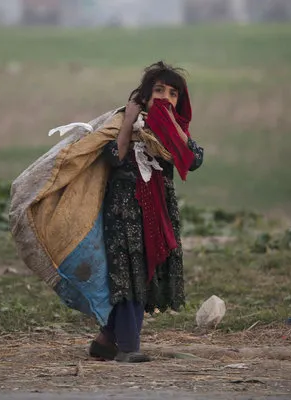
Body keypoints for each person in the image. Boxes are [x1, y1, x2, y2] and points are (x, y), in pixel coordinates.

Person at [88, 61, 205, 363]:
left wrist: (175, 128)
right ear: (144, 94)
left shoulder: (174, 131)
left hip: (158, 213)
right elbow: (113, 156)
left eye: (173, 93)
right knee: (130, 274)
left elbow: (193, 160)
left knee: (146, 273)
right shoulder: (121, 122)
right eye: (158, 90)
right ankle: (128, 348)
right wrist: (128, 121)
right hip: (124, 212)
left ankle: (105, 340)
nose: (165, 97)